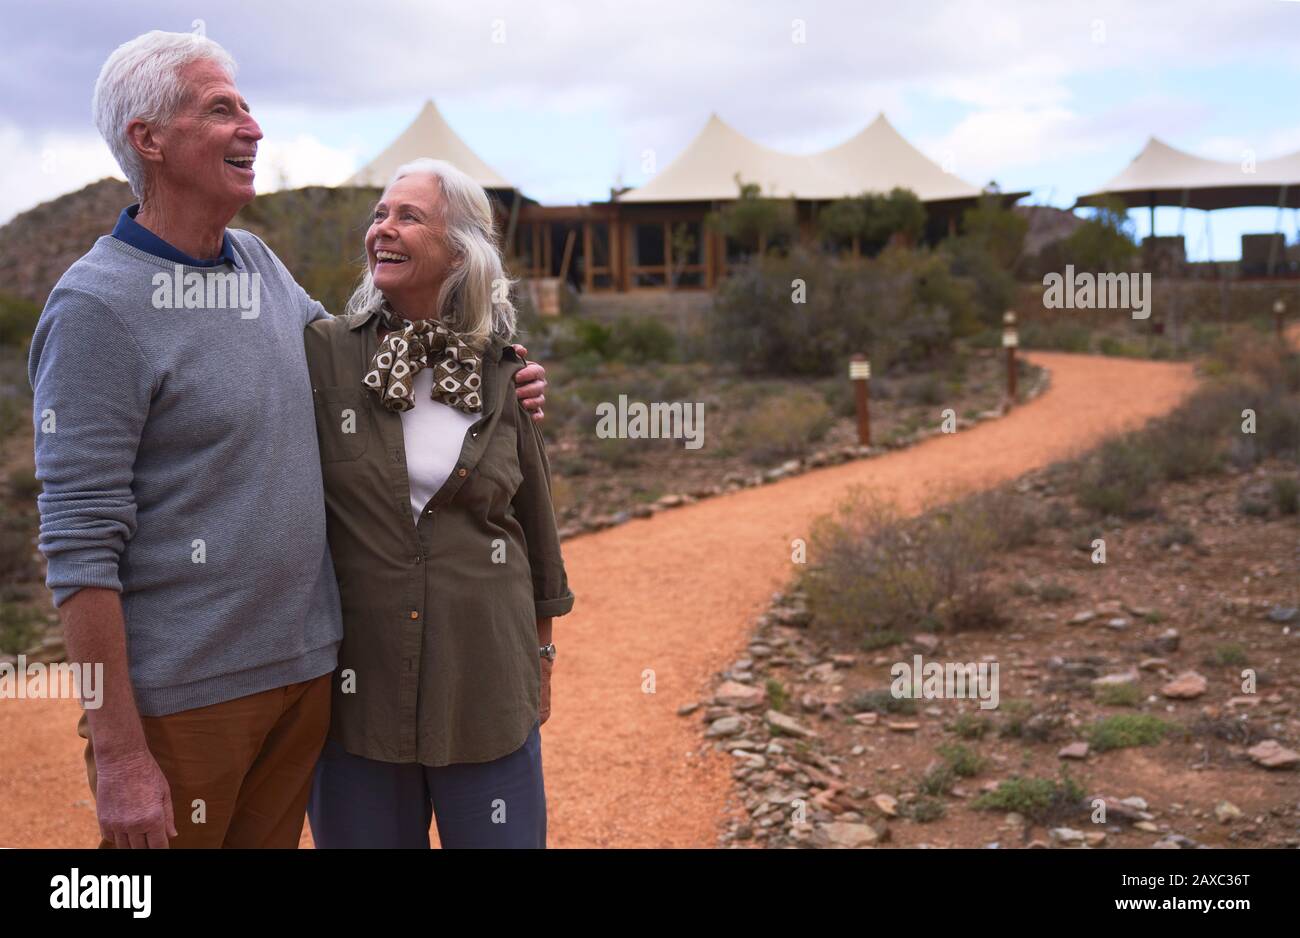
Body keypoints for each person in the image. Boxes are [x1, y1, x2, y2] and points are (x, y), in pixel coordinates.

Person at [27, 30, 548, 849]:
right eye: (222, 109)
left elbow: (373, 352)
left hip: (309, 685)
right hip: (187, 702)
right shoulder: (97, 308)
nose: (254, 127)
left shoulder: (259, 268)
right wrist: (122, 752)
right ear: (149, 140)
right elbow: (78, 542)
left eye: (249, 106)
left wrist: (497, 369)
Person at [305, 158, 573, 848]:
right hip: (358, 698)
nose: (383, 231)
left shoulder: (501, 370)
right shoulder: (325, 356)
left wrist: (542, 658)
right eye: (379, 215)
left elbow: (535, 528)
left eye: (408, 217)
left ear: (460, 249)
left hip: (483, 683)